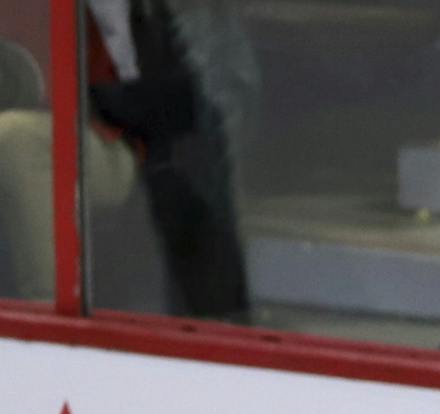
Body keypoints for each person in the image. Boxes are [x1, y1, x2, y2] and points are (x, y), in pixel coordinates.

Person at [0, 0, 254, 314]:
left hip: (104, 143)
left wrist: (92, 98)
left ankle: (46, 316)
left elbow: (171, 98)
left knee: (13, 138)